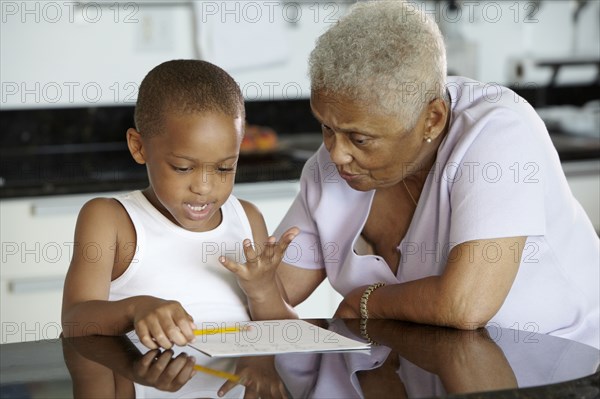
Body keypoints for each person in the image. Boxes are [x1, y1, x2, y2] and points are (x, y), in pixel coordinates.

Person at [263, 1, 599, 349]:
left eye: (360, 138)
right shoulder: (332, 167)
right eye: (326, 127)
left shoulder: (497, 131)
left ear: (433, 120)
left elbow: (465, 305)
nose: (335, 153)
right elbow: (270, 286)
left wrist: (367, 302)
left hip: (564, 363)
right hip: (431, 367)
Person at [61, 59, 298, 351]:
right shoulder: (110, 219)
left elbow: (285, 333)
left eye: (225, 168)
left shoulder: (247, 218)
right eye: (183, 168)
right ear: (139, 147)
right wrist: (135, 309)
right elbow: (74, 322)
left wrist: (263, 292)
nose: (204, 187)